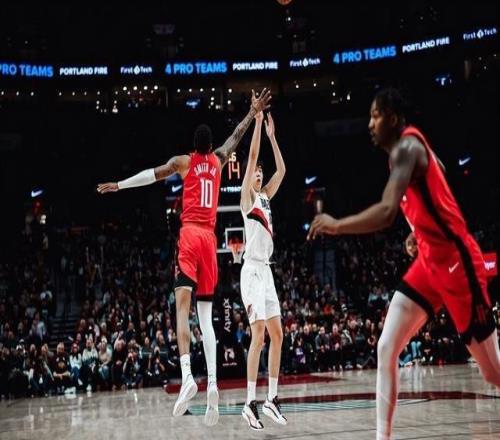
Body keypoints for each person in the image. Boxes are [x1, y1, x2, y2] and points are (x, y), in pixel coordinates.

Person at [308, 88, 499, 440]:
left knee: (493, 373)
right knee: (386, 347)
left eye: (375, 116)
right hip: (429, 262)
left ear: (393, 119)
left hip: (458, 264)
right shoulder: (405, 153)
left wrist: (336, 225)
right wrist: (421, 229)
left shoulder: (407, 148)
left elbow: (385, 213)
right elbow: (439, 168)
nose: (369, 124)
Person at [97, 89, 271, 425]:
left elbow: (152, 174)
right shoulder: (219, 159)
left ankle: (188, 375)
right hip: (210, 241)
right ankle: (214, 384)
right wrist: (253, 113)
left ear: (193, 145)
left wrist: (119, 185)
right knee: (206, 319)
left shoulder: (184, 162)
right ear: (211, 145)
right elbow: (237, 134)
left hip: (190, 236)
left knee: (181, 308)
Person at [239, 112, 287, 430]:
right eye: (255, 170)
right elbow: (253, 153)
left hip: (267, 272)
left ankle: (271, 399)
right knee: (258, 335)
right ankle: (249, 403)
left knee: (278, 335)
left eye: (260, 171)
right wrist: (257, 124)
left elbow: (282, 170)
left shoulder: (266, 196)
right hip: (252, 273)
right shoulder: (247, 197)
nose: (258, 172)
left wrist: (272, 137)